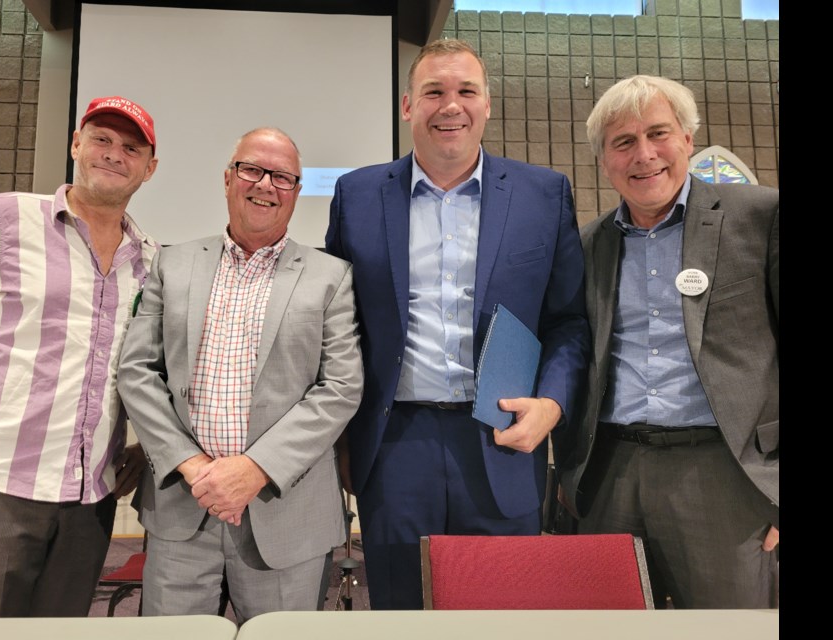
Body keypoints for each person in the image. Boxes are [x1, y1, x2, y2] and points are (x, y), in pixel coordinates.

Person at [325, 39, 589, 610]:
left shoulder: (543, 195)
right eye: (434, 92)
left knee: (501, 609)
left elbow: (568, 320)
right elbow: (338, 325)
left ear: (487, 104)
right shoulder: (357, 195)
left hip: (502, 437)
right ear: (407, 106)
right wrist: (342, 437)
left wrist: (552, 403)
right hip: (394, 444)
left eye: (466, 91)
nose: (451, 106)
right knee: (401, 605)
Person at [116, 127, 363, 623]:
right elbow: (137, 370)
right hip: (183, 509)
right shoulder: (173, 262)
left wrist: (253, 469)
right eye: (251, 169)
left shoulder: (331, 276)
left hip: (286, 514)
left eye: (283, 177)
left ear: (295, 191)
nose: (265, 184)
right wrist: (192, 466)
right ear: (228, 179)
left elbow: (340, 388)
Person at [0, 96, 160, 616]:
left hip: (90, 504)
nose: (113, 154)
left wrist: (149, 444)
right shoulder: (3, 218)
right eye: (101, 138)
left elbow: (149, 370)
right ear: (76, 143)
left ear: (149, 167)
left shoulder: (150, 260)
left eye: (131, 147)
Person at [557, 75, 779, 608]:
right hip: (610, 472)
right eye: (624, 142)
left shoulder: (760, 217)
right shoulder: (587, 245)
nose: (645, 155)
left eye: (659, 134)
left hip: (725, 475)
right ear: (604, 159)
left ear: (687, 139)